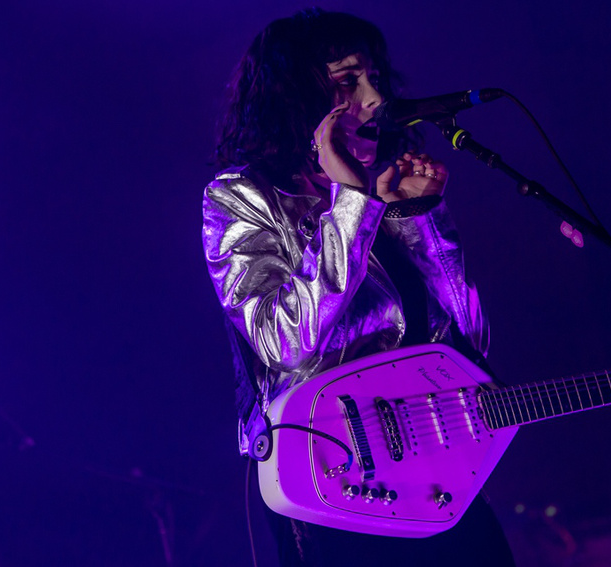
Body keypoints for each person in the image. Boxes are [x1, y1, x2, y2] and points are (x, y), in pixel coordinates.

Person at [202, 9, 515, 566]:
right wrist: (351, 204)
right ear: (297, 97)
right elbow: (284, 341)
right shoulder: (240, 197)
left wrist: (422, 219)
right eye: (347, 82)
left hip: (432, 478)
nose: (373, 98)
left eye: (373, 78)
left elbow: (467, 347)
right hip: (328, 481)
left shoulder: (383, 196)